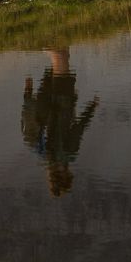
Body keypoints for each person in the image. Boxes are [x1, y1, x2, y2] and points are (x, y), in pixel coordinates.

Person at [20, 47, 100, 196]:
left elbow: (78, 128)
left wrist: (91, 108)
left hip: (63, 101)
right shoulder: (41, 153)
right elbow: (30, 124)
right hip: (46, 104)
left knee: (60, 56)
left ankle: (46, 41)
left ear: (67, 174)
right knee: (61, 56)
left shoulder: (68, 153)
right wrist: (27, 94)